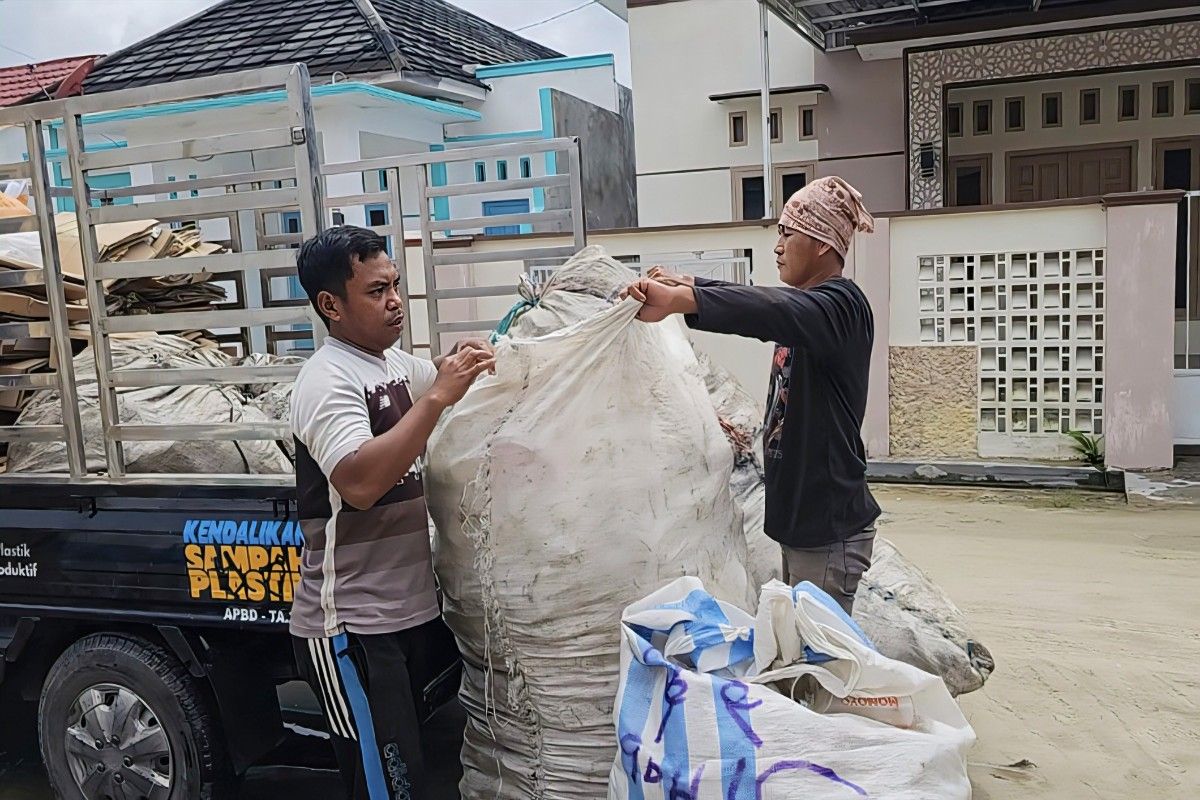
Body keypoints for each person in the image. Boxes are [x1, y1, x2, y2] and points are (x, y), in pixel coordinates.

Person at [288, 225, 494, 800]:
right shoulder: (326, 381)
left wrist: (470, 365)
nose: (395, 301)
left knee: (406, 773)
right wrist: (435, 398)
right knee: (387, 786)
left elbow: (447, 390)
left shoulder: (394, 366)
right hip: (350, 628)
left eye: (396, 286)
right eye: (377, 291)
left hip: (406, 616)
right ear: (331, 305)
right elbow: (358, 481)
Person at [624, 177, 881, 615]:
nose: (777, 246)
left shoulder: (842, 307)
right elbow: (770, 302)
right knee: (801, 657)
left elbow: (770, 309)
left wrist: (685, 300)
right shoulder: (812, 308)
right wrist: (689, 284)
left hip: (827, 532)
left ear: (821, 244)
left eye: (787, 232)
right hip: (803, 528)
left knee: (817, 669)